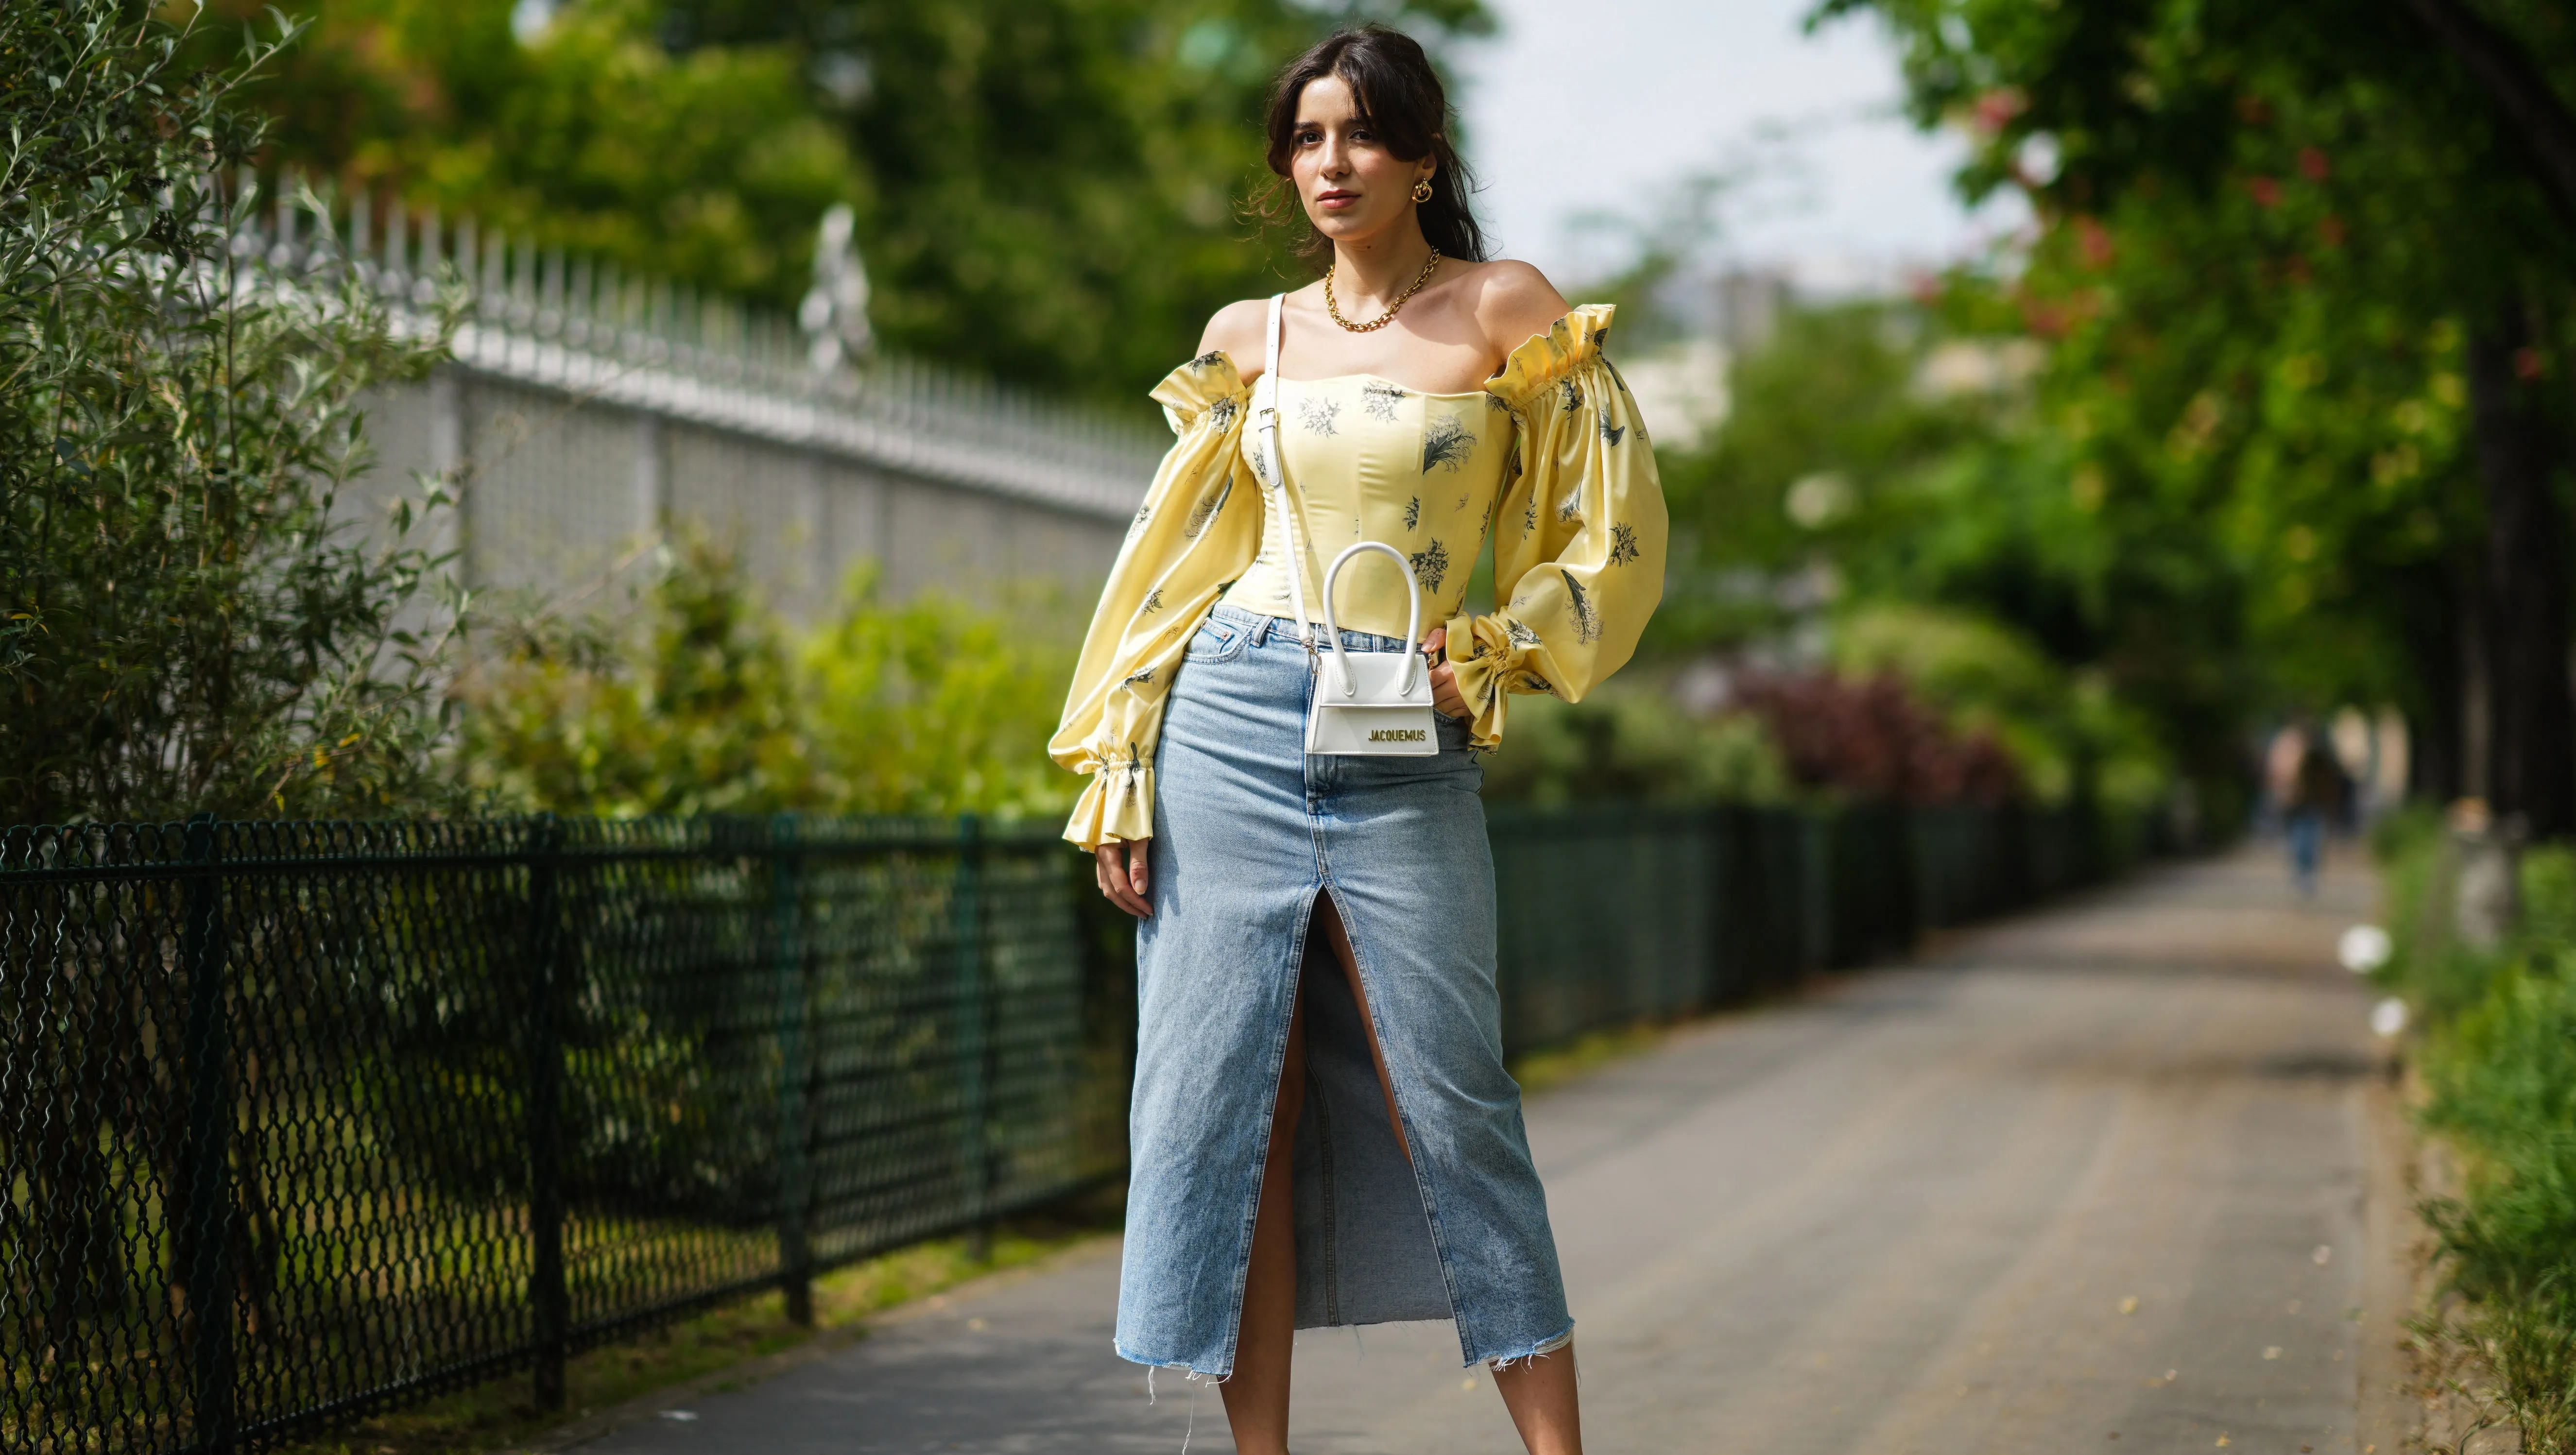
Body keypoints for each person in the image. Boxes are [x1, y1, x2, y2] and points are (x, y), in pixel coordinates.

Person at [1048, 24, 1665, 1455]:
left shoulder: (1507, 311)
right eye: (1310, 136)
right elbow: (1174, 566)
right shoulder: (1242, 339)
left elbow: (1611, 529)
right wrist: (1121, 770)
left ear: (1422, 158)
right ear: (1288, 161)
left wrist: (1501, 649)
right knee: (1224, 1109)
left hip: (1404, 732)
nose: (1334, 162)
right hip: (1229, 717)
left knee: (1449, 1096)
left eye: (1364, 134)